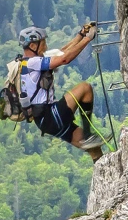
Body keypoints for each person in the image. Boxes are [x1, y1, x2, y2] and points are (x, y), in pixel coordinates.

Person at [15, 24, 105, 161]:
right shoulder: (33, 62)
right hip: (50, 114)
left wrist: (80, 35)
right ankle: (88, 134)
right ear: (33, 46)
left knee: (94, 149)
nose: (45, 46)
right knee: (85, 88)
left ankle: (103, 177)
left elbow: (62, 52)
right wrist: (88, 39)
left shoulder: (29, 62)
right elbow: (64, 59)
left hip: (45, 122)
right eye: (43, 42)